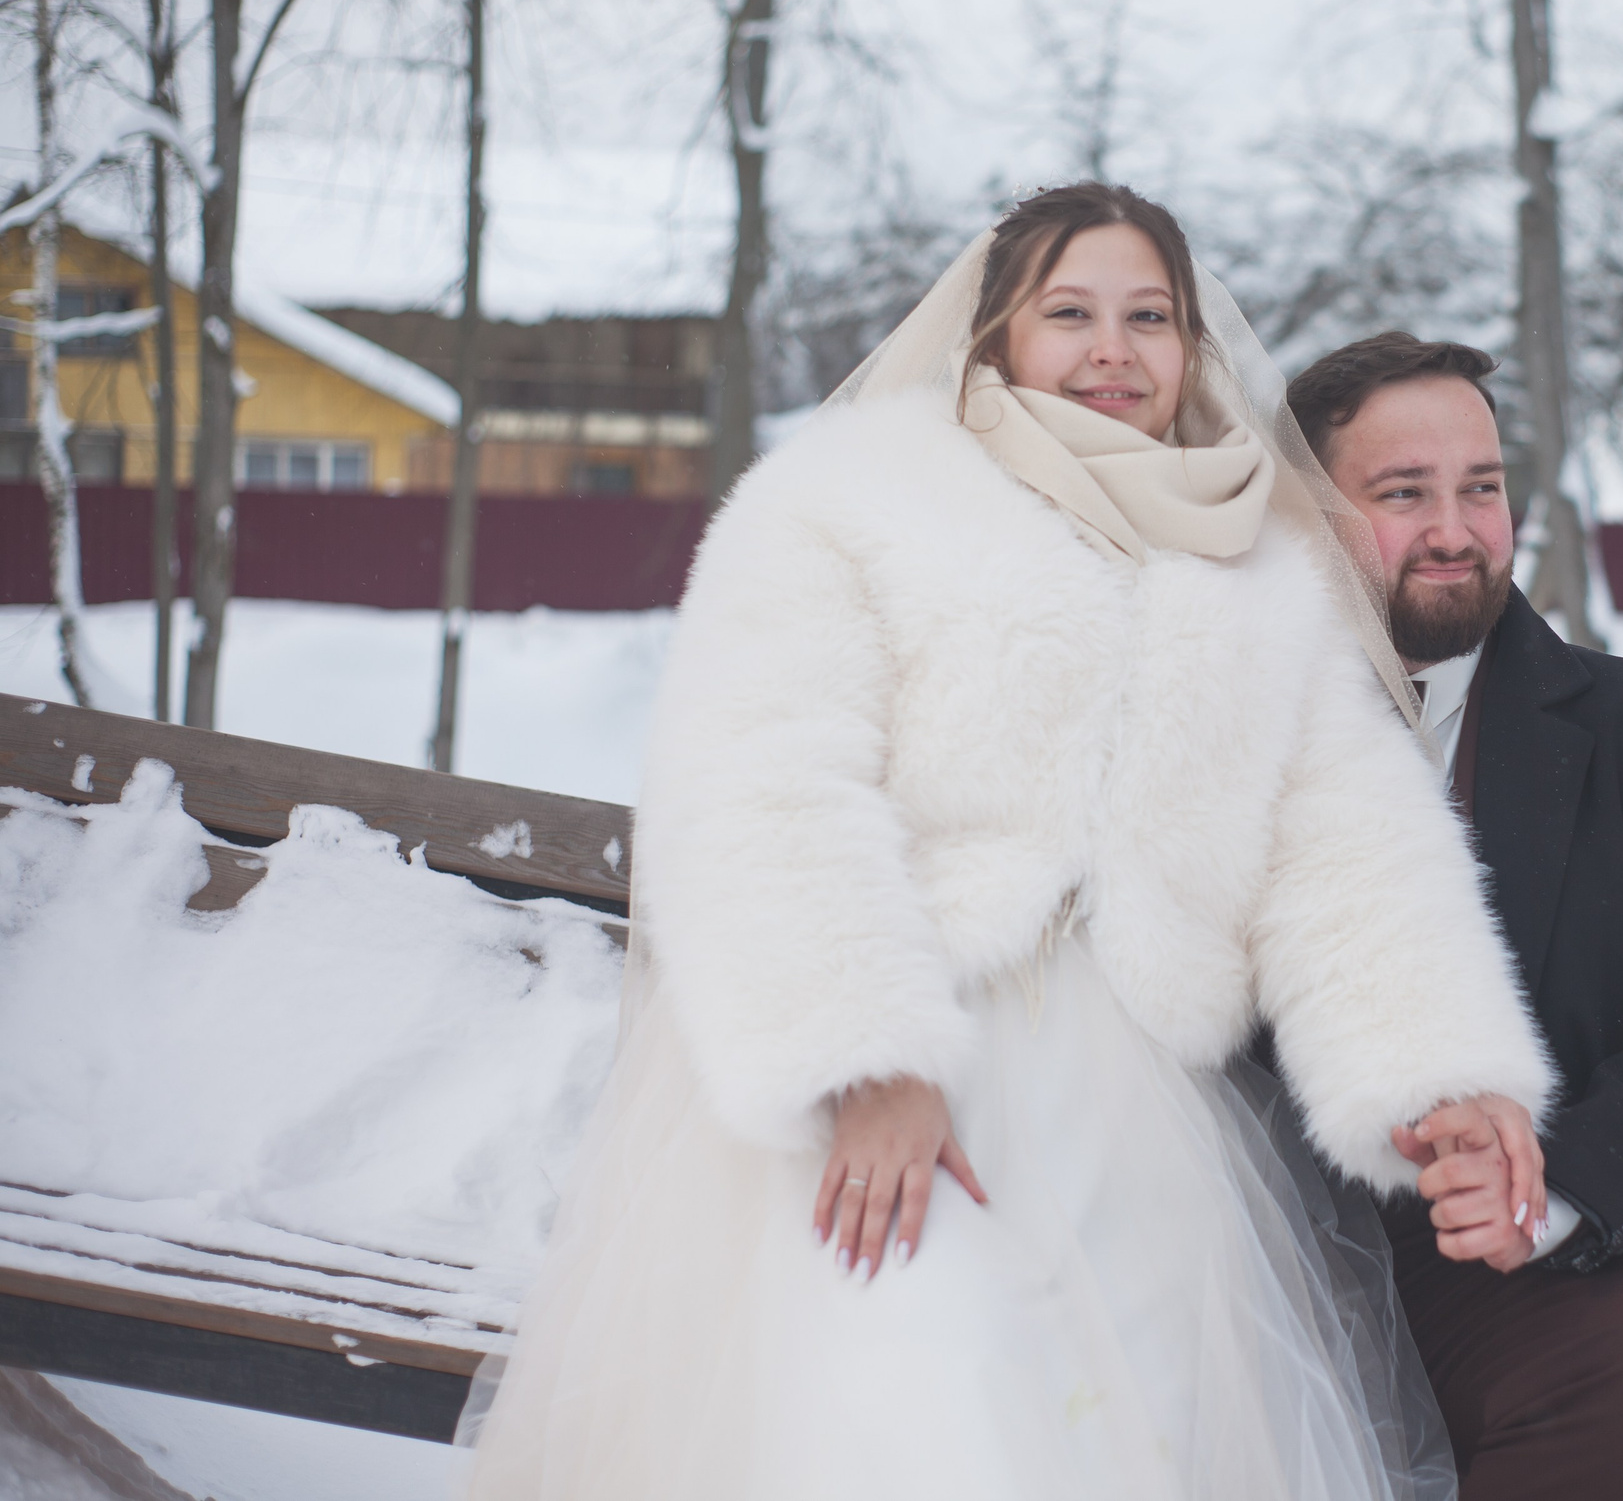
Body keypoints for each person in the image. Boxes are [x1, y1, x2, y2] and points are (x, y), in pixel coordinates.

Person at [457, 189, 1557, 1501]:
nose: (1115, 349)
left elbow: (1343, 850)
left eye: (1151, 315)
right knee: (917, 1410)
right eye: (1071, 312)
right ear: (992, 337)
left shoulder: (1257, 561)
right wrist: (865, 1062)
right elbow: (754, 781)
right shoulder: (847, 502)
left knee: (1131, 1432)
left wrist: (1437, 1073)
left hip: (1133, 1100)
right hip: (890, 1068)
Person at [1288, 333, 1623, 1501]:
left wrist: (1548, 1191)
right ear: (1305, 513)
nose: (1456, 530)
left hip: (1534, 1256)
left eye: (1481, 487)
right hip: (1254, 1243)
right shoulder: (1226, 734)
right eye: (1402, 493)